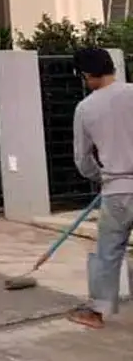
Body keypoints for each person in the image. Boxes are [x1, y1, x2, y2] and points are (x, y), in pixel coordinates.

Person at [68, 46, 133, 329]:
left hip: (116, 190)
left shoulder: (85, 108)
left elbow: (82, 159)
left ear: (87, 74)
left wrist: (100, 177)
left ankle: (97, 312)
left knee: (108, 252)